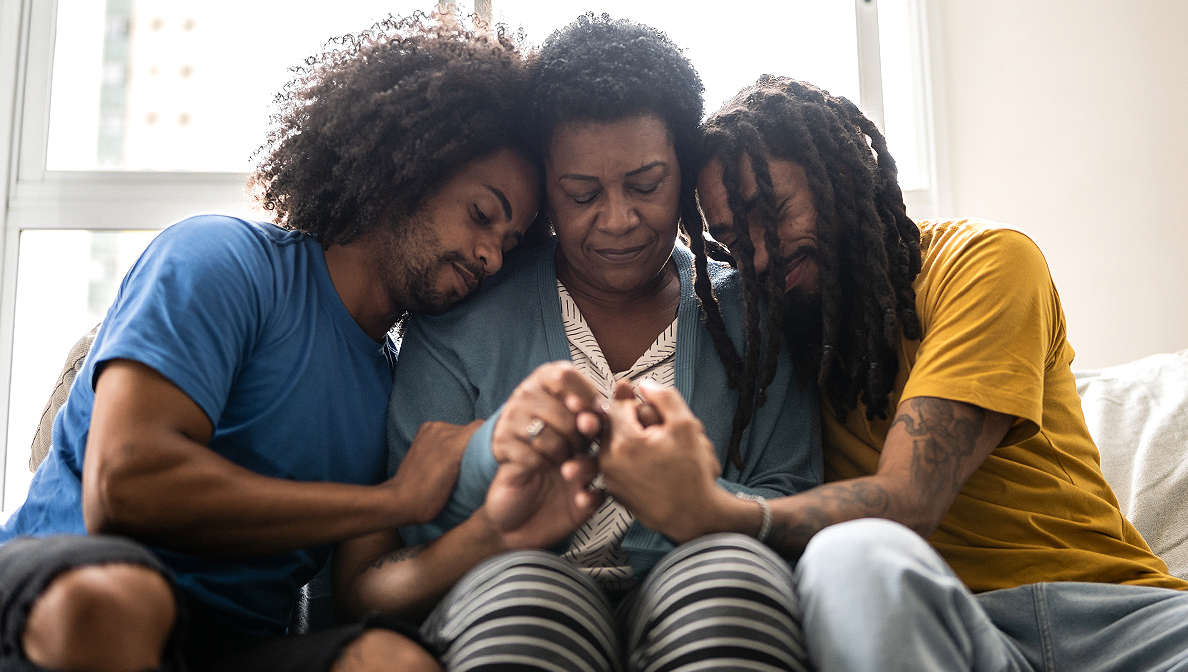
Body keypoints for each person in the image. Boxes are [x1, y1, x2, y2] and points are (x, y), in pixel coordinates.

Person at [0, 14, 540, 672]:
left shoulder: (396, 386)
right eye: (483, 215)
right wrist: (394, 499)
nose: (489, 256)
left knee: (391, 660)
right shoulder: (222, 260)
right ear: (409, 168)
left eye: (509, 247)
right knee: (117, 598)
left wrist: (495, 527)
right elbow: (125, 490)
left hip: (231, 647)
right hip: (67, 591)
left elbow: (365, 584)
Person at [599, 74, 1188, 672]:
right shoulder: (768, 346)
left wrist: (713, 511)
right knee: (851, 556)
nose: (757, 257)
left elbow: (910, 502)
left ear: (844, 177)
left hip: (1112, 616)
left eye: (771, 212)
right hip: (938, 628)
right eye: (729, 241)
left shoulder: (985, 264)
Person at [337, 15, 819, 672]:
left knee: (726, 580)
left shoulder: (751, 313)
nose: (617, 220)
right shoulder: (462, 316)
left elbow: (796, 503)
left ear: (683, 172)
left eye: (646, 185)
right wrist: (497, 452)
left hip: (709, 590)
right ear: (544, 192)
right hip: (511, 595)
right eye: (582, 193)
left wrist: (696, 500)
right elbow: (413, 531)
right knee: (524, 591)